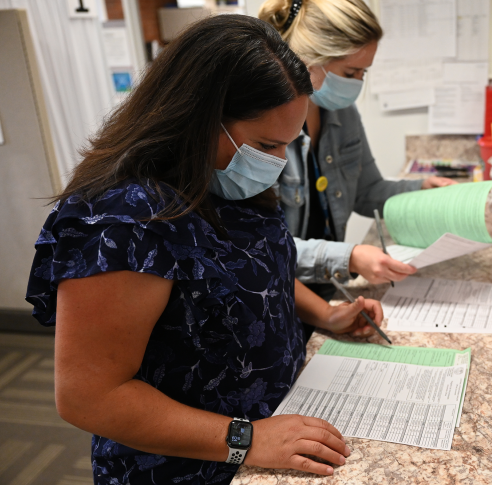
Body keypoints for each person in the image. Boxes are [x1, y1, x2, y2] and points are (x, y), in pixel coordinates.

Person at [25, 15, 382, 483]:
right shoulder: (125, 221)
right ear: (196, 120)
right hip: (187, 464)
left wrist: (324, 313)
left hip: (278, 427)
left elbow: (252, 269)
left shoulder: (225, 178)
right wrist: (246, 440)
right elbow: (89, 395)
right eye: (266, 144)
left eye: (287, 145)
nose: (277, 163)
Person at [258, 0, 457, 301]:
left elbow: (366, 192)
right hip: (278, 297)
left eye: (364, 73)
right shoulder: (264, 128)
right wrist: (349, 258)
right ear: (309, 59)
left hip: (326, 289)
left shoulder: (342, 112)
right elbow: (258, 245)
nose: (358, 85)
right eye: (350, 74)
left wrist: (421, 190)